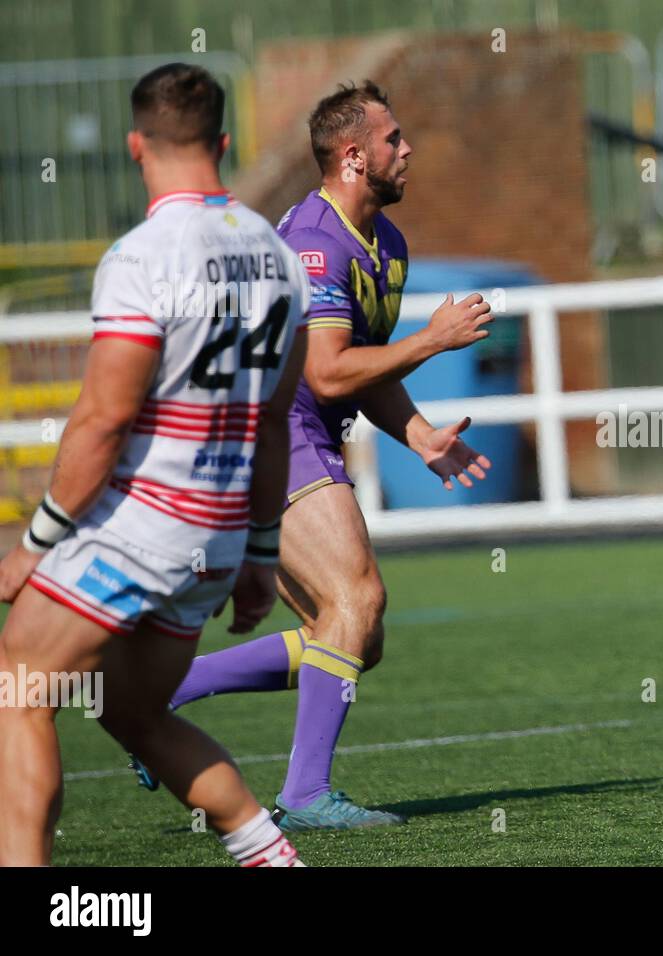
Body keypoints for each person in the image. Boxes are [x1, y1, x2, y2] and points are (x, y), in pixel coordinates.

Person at [146, 81, 494, 831]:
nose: (408, 149)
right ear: (353, 157)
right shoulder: (313, 243)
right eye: (393, 138)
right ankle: (304, 795)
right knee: (356, 600)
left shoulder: (386, 244)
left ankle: (166, 690)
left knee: (353, 638)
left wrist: (420, 433)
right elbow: (328, 371)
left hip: (295, 427)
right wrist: (433, 339)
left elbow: (358, 368)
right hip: (263, 429)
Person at [0, 63, 309, 865]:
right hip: (216, 537)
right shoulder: (278, 258)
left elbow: (103, 420)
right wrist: (262, 556)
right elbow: (274, 425)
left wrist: (35, 545)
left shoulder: (143, 257)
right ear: (225, 142)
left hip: (143, 523)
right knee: (131, 712)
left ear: (137, 144)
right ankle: (270, 854)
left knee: (18, 692)